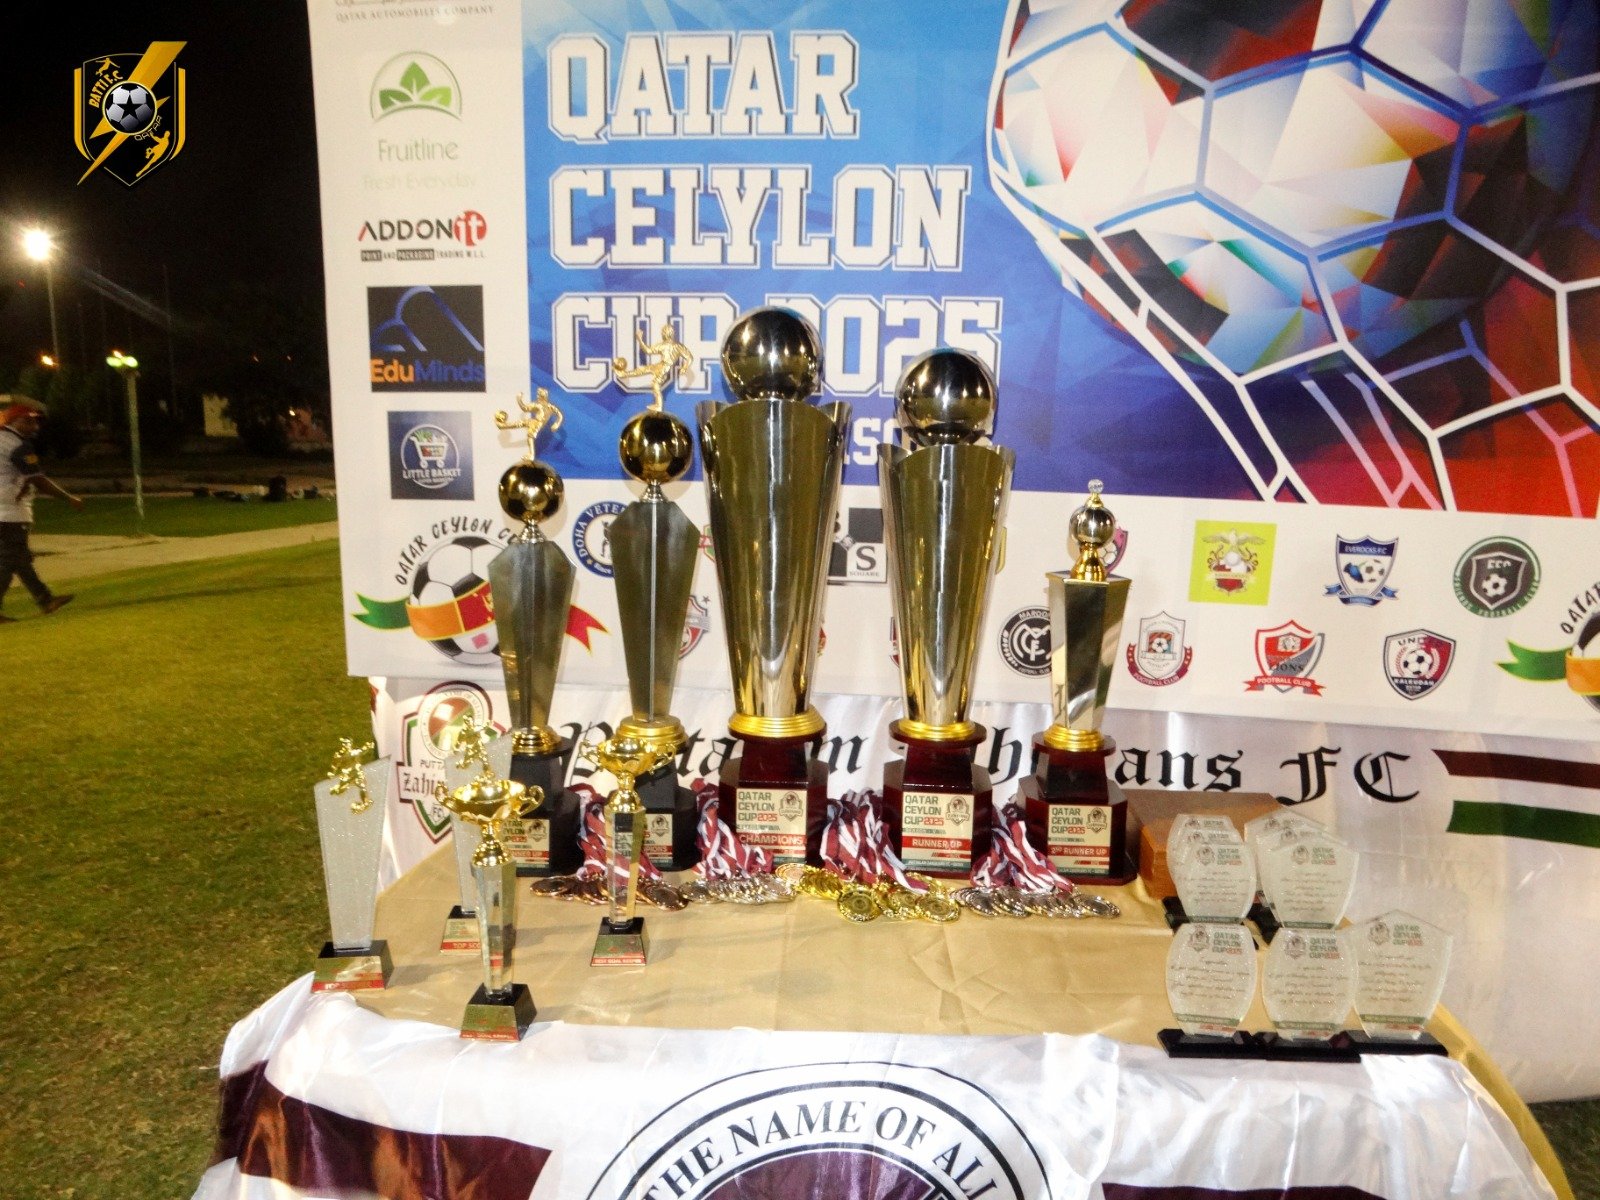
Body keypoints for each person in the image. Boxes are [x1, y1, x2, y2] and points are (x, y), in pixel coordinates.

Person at [0, 400, 82, 623]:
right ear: (14, 422)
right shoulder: (19, 446)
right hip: (10, 511)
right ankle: (44, 600)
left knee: (19, 559)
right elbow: (38, 479)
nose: (35, 427)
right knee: (9, 561)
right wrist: (68, 498)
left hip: (4, 510)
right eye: (28, 422)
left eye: (35, 422)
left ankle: (45, 600)